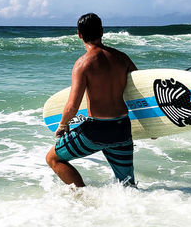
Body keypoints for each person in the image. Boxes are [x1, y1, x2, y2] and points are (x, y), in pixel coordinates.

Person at [45, 13, 138, 187]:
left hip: (97, 130)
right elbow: (139, 90)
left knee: (53, 159)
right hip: (122, 129)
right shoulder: (122, 58)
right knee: (127, 185)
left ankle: (83, 198)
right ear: (102, 32)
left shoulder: (83, 64)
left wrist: (62, 125)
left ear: (79, 34)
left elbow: (72, 106)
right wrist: (153, 123)